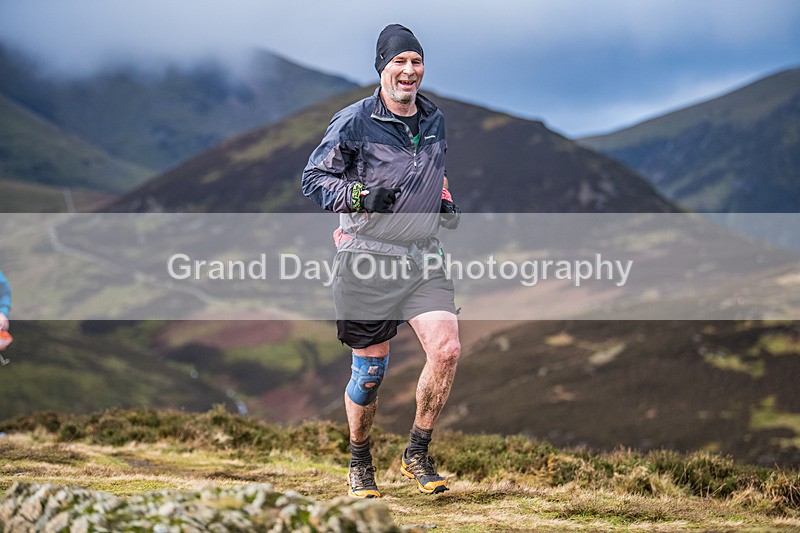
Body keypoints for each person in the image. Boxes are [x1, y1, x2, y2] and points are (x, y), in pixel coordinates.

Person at [302, 24, 462, 498]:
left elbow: (434, 169)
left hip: (422, 258)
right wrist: (361, 195)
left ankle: (417, 452)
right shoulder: (353, 121)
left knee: (446, 350)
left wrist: (444, 200)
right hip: (367, 261)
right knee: (370, 374)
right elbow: (314, 179)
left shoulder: (434, 119)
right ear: (382, 68)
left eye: (416, 61)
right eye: (399, 62)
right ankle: (360, 460)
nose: (409, 71)